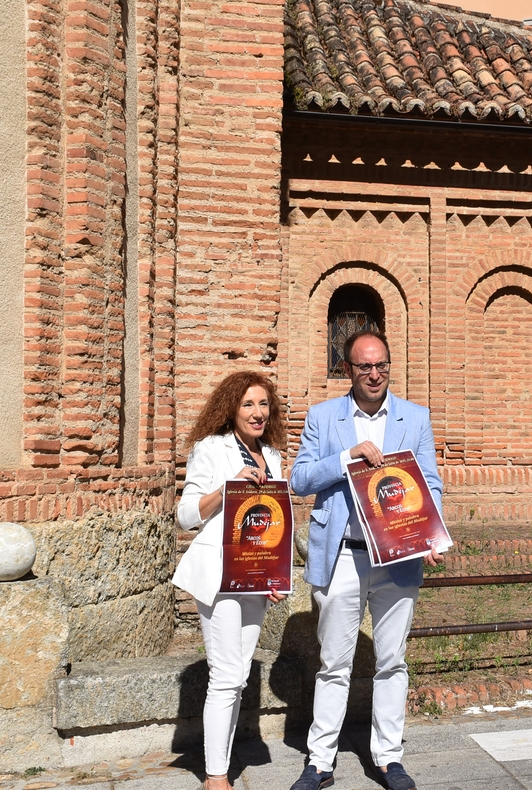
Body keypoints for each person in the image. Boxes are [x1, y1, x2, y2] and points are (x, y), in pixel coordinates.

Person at [288, 331, 445, 790]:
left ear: (389, 367)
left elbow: (430, 482)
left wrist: (431, 533)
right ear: (348, 370)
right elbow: (299, 479)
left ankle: (388, 759)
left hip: (398, 556)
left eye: (381, 366)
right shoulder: (324, 417)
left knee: (392, 660)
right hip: (342, 556)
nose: (374, 375)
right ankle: (319, 762)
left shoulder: (415, 417)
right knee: (334, 662)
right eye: (363, 367)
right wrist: (346, 457)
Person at [173, 371, 287, 790]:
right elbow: (186, 516)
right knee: (225, 675)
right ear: (231, 409)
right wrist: (226, 488)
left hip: (255, 573)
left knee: (238, 674)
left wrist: (275, 573)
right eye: (248, 405)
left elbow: (271, 520)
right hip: (220, 575)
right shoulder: (210, 449)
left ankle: (220, 759)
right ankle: (216, 776)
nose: (258, 413)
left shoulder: (272, 456)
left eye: (263, 404)